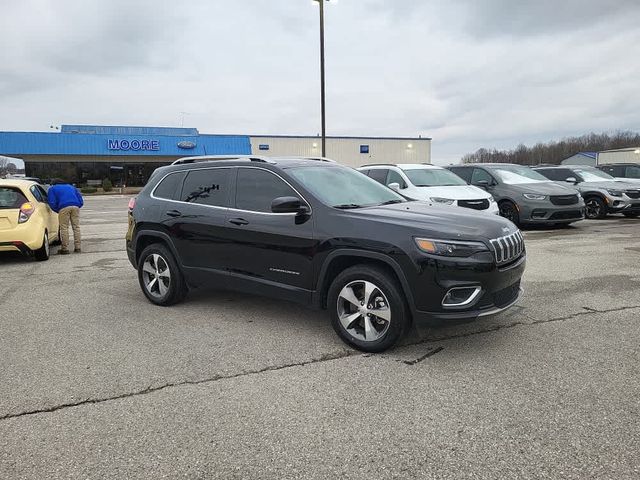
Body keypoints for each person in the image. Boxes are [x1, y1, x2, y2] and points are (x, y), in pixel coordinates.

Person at [47, 179, 84, 254]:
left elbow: (51, 201)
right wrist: (77, 205)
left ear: (53, 184)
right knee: (76, 227)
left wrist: (58, 210)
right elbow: (80, 199)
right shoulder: (71, 187)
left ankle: (65, 248)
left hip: (63, 207)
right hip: (75, 206)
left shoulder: (52, 188)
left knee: (64, 228)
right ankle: (78, 247)